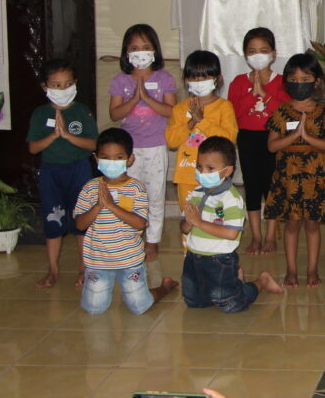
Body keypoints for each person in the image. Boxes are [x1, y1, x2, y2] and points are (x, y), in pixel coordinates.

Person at [73, 128, 177, 314]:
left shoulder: (136, 188)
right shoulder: (90, 188)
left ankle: (165, 287)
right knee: (94, 308)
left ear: (130, 159)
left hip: (130, 260)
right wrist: (98, 206)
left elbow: (140, 224)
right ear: (96, 159)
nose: (112, 162)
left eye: (118, 157)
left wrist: (111, 205)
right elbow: (80, 224)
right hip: (98, 261)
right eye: (105, 157)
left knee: (139, 306)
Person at [180, 136, 283, 312]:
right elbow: (183, 227)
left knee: (231, 305)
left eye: (210, 168)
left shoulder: (231, 199)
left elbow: (231, 233)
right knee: (193, 301)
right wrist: (189, 223)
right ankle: (235, 281)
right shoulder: (195, 193)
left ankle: (261, 281)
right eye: (199, 167)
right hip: (193, 257)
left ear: (227, 171)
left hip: (219, 260)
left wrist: (199, 222)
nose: (203, 172)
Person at [265, 53, 325, 288]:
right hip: (289, 178)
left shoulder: (323, 112)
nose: (299, 84)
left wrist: (307, 137)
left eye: (305, 79)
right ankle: (291, 270)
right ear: (286, 82)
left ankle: (312, 270)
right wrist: (294, 136)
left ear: (316, 81)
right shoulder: (281, 111)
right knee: (292, 225)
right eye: (294, 80)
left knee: (312, 225)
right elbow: (272, 146)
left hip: (315, 178)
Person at [27, 58, 98, 288]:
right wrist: (54, 135)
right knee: (53, 221)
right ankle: (53, 270)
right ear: (45, 87)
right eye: (56, 85)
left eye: (68, 84)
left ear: (75, 83)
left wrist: (67, 135)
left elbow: (93, 144)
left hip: (79, 171)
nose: (63, 89)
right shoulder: (40, 114)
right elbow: (33, 148)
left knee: (82, 222)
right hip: (51, 173)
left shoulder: (83, 111)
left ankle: (84, 269)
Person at [108, 23, 177, 259]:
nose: (141, 52)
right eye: (135, 48)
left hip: (156, 146)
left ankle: (153, 239)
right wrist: (134, 99)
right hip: (129, 149)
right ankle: (130, 236)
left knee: (155, 195)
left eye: (146, 47)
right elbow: (114, 114)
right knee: (128, 194)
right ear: (126, 52)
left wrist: (147, 98)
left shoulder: (164, 78)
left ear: (155, 50)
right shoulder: (120, 80)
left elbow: (172, 111)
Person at [228, 27, 290, 255]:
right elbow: (234, 113)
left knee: (272, 187)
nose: (258, 55)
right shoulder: (238, 82)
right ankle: (256, 236)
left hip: (273, 139)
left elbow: (285, 113)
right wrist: (251, 93)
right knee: (251, 187)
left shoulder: (282, 82)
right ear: (245, 55)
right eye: (252, 51)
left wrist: (264, 93)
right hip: (247, 138)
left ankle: (271, 236)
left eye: (263, 50)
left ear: (273, 54)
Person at [166, 50, 238, 217]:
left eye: (204, 77)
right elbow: (171, 141)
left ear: (217, 79)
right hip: (186, 176)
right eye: (193, 78)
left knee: (215, 217)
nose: (199, 82)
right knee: (189, 218)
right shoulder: (179, 109)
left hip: (215, 176)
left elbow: (229, 139)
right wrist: (191, 123)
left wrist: (202, 121)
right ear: (186, 81)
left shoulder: (224, 107)